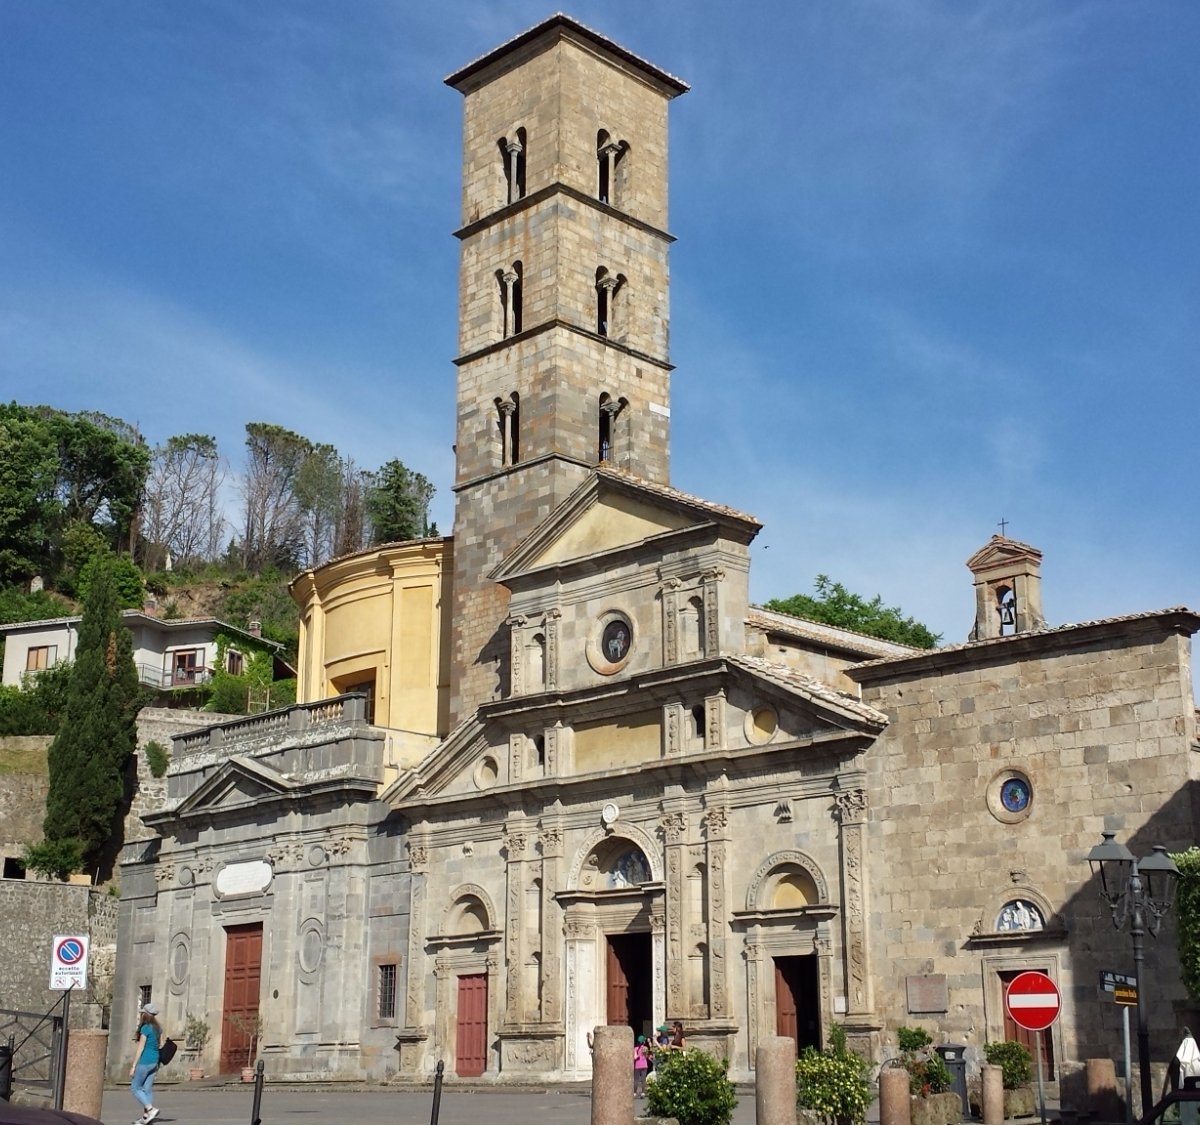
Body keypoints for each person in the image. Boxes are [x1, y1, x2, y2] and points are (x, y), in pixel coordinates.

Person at [129, 1003, 163, 1123]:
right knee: (147, 1089)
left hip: (145, 1061)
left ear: (146, 1015)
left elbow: (141, 1047)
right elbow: (159, 1044)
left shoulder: (145, 1028)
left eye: (143, 1012)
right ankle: (145, 1117)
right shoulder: (158, 1028)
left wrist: (133, 1066)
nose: (142, 1014)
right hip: (155, 1061)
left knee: (135, 1088)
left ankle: (150, 1109)